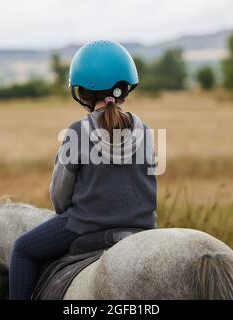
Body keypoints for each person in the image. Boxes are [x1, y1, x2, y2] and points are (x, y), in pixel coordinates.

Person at [9, 40, 157, 300]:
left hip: (85, 226)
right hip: (143, 228)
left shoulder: (77, 131)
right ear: (125, 88)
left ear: (83, 93)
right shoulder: (145, 130)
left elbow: (59, 197)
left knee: (22, 249)